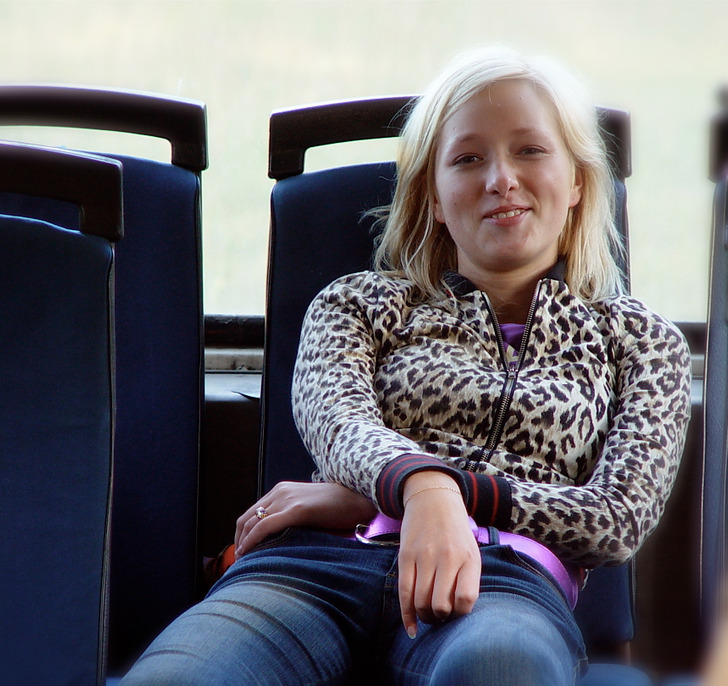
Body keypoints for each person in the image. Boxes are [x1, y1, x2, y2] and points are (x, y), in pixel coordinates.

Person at [121, 47, 692, 685]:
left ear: (579, 180)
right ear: (436, 199)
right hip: (312, 567)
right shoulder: (358, 303)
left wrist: (445, 496)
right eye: (468, 159)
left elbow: (615, 519)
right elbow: (336, 420)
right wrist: (419, 488)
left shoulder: (640, 342)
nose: (500, 178)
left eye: (530, 150)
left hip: (502, 583)